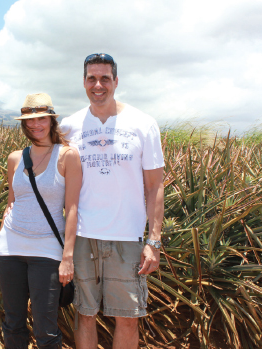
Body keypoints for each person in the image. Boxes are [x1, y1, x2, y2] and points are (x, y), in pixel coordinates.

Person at [59, 53, 164, 349]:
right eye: (92, 78)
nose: (98, 84)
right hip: (82, 235)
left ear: (116, 81)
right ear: (83, 82)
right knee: (84, 314)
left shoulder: (143, 123)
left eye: (105, 78)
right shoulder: (69, 127)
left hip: (127, 237)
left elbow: (155, 186)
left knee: (129, 317)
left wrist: (153, 241)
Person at [0, 92, 82, 349]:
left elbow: (72, 208)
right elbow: (11, 203)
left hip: (47, 250)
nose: (35, 125)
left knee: (46, 328)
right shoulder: (15, 158)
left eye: (41, 119)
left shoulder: (67, 156)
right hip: (10, 248)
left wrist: (68, 257)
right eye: (29, 121)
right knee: (13, 322)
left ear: (52, 121)